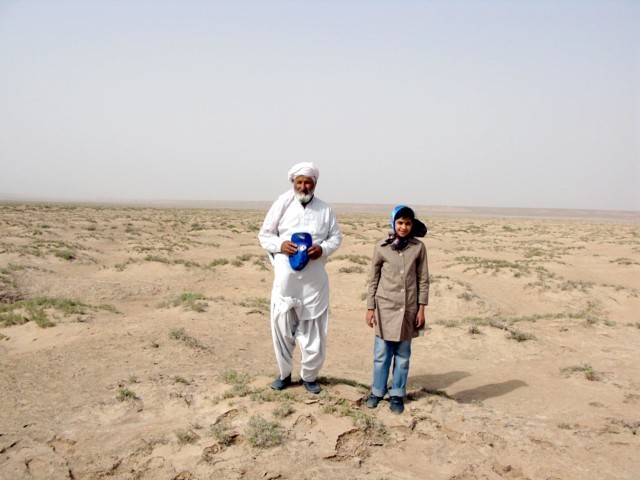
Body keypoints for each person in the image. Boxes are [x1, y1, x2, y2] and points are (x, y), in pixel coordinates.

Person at [258, 162, 342, 394]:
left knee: (313, 330)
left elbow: (336, 237)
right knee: (282, 329)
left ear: (314, 183)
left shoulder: (324, 210)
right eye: (299, 182)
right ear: (293, 183)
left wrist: (322, 249)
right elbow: (265, 235)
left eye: (308, 182)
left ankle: (310, 376)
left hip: (314, 282)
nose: (304, 187)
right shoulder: (281, 205)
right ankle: (284, 374)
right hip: (286, 281)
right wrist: (280, 244)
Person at [365, 205, 429, 413]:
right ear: (393, 223)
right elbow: (373, 279)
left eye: (408, 223)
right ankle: (376, 392)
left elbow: (423, 280)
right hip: (385, 308)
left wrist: (421, 308)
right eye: (400, 223)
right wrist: (370, 307)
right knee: (381, 354)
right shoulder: (381, 247)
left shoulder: (418, 248)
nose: (403, 227)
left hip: (408, 308)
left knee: (402, 356)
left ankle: (397, 394)